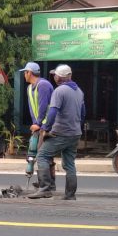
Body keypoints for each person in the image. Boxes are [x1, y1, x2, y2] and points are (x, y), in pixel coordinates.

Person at [28, 64, 85, 201]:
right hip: (75, 133)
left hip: (61, 132)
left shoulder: (59, 91)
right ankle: (70, 195)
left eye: (55, 75)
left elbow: (52, 111)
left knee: (42, 156)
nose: (53, 77)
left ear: (59, 77)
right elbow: (83, 113)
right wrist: (76, 126)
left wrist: (46, 128)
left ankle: (45, 189)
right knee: (69, 164)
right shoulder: (79, 91)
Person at [19, 61, 57, 190]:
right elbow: (32, 108)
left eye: (25, 72)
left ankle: (46, 185)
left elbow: (43, 106)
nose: (24, 75)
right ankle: (47, 183)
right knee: (40, 153)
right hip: (39, 126)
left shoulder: (43, 85)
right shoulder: (30, 88)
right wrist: (35, 125)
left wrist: (40, 124)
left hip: (48, 126)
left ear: (29, 72)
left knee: (42, 155)